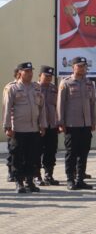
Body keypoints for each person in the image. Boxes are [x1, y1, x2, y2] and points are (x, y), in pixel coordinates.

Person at [3, 62, 47, 193]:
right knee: (17, 157)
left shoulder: (36, 88)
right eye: (27, 71)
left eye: (31, 71)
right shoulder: (13, 88)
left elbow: (42, 108)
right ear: (20, 72)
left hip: (33, 129)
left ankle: (29, 181)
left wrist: (43, 125)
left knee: (32, 156)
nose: (30, 73)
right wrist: (7, 126)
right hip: (18, 129)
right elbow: (6, 108)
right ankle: (19, 182)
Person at [57, 56, 96, 190]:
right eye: (79, 66)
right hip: (71, 124)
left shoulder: (89, 83)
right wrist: (61, 122)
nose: (82, 68)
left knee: (83, 153)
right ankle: (70, 179)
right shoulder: (66, 83)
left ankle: (80, 179)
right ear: (73, 67)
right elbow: (60, 104)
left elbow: (92, 104)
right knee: (71, 153)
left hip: (86, 125)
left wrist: (93, 121)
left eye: (84, 66)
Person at [36, 65, 60, 186]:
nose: (49, 78)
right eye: (46, 76)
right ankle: (36, 175)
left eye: (51, 76)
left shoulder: (54, 89)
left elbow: (58, 107)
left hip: (52, 125)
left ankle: (48, 175)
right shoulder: (34, 88)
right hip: (38, 126)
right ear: (39, 76)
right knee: (36, 151)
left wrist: (59, 123)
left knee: (51, 151)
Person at [5, 68, 19, 183]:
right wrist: (7, 125)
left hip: (24, 125)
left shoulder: (31, 86)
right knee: (12, 150)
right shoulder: (10, 87)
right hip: (13, 123)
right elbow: (7, 106)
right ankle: (11, 172)